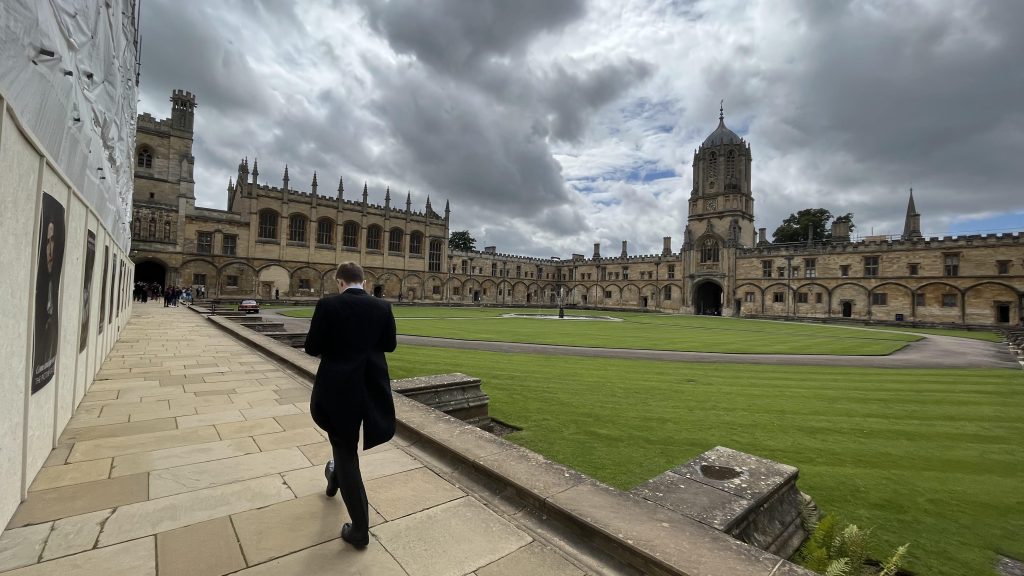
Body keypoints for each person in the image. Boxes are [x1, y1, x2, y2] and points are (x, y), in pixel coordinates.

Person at [304, 262, 397, 549]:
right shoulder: (383, 307)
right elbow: (389, 345)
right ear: (364, 282)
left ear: (339, 282)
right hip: (370, 388)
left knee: (345, 451)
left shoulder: (328, 305)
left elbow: (312, 347)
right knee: (343, 448)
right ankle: (334, 476)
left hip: (338, 389)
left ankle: (359, 530)